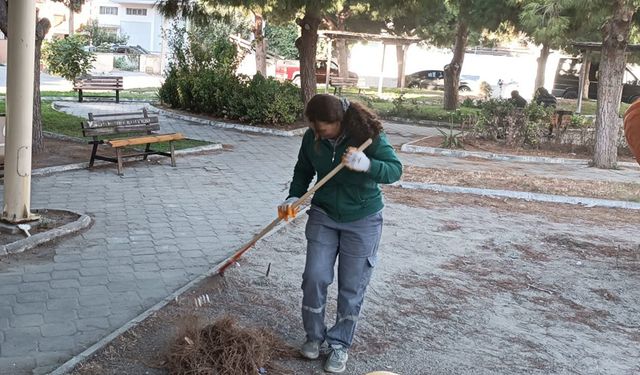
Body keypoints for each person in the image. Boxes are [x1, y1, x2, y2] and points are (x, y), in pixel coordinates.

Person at [278, 94, 402, 373]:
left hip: (363, 219)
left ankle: (339, 344)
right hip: (323, 214)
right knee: (314, 277)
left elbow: (395, 170)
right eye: (314, 128)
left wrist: (368, 165)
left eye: (323, 129)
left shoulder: (368, 136)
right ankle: (313, 337)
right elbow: (303, 169)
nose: (317, 134)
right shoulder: (312, 138)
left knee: (351, 287)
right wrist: (294, 196)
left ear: (340, 121)